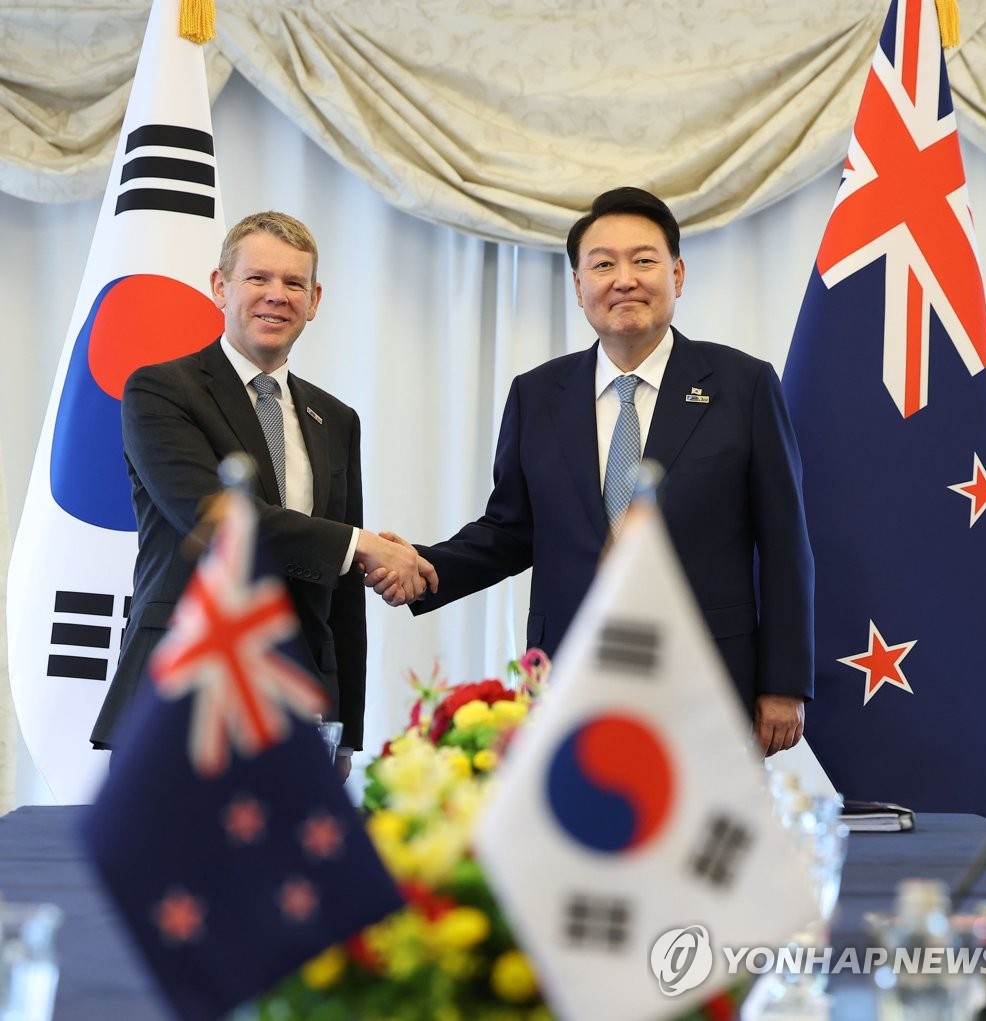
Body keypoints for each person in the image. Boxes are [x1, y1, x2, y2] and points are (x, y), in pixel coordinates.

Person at [369, 187, 813, 755]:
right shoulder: (537, 395)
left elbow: (785, 543)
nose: (624, 279)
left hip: (710, 676)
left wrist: (782, 684)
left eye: (644, 260)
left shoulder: (743, 385)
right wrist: (424, 567)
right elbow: (510, 530)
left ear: (677, 274)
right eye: (602, 264)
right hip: (571, 677)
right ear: (579, 288)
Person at [90, 211, 437, 769]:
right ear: (220, 286)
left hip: (299, 706)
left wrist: (346, 727)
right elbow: (223, 521)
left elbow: (343, 592)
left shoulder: (337, 418)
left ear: (315, 299)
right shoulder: (160, 390)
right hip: (184, 694)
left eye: (294, 283)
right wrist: (365, 543)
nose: (277, 296)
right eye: (258, 279)